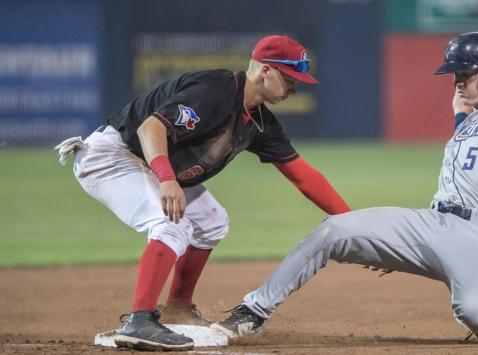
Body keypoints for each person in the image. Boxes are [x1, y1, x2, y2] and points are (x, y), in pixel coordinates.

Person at [212, 0, 478, 342]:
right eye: (455, 74)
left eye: (465, 73)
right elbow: (468, 124)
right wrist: (461, 114)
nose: (457, 81)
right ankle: (252, 311)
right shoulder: (467, 121)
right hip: (433, 224)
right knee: (333, 231)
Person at [55, 35, 351, 351]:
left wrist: (356, 224)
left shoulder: (260, 121)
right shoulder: (215, 91)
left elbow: (304, 177)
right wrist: (167, 180)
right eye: (290, 78)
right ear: (265, 71)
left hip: (148, 163)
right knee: (171, 224)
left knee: (212, 221)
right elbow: (150, 129)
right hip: (114, 156)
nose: (294, 88)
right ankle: (139, 320)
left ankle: (178, 307)